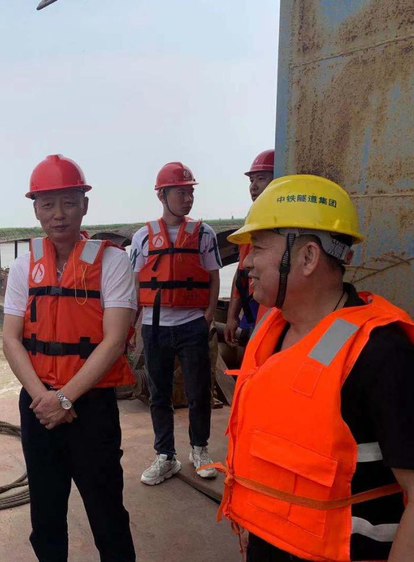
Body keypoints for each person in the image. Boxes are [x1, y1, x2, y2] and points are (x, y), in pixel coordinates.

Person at [212, 174, 414, 561]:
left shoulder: (380, 355)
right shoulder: (271, 330)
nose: (247, 262)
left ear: (307, 258)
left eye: (258, 248)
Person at [2, 154, 137, 561]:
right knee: (45, 514)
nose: (58, 214)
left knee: (107, 512)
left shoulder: (113, 262)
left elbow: (114, 340)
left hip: (90, 405)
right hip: (38, 404)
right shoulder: (23, 266)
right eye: (47, 204)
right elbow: (11, 339)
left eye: (68, 203)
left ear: (85, 205)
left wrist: (65, 398)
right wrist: (44, 398)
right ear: (36, 210)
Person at [130, 162, 221, 484]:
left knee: (199, 392)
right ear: (162, 195)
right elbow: (135, 284)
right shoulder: (142, 237)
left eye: (190, 192)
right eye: (181, 193)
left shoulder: (204, 234)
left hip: (191, 324)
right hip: (154, 327)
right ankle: (166, 456)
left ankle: (199, 450)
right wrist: (133, 326)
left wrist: (208, 315)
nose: (188, 199)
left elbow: (213, 277)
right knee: (159, 395)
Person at [225, 149, 274, 346]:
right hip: (253, 303)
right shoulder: (252, 221)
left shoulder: (287, 223)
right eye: (251, 180)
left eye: (261, 179)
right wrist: (232, 316)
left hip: (276, 303)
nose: (253, 186)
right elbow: (241, 272)